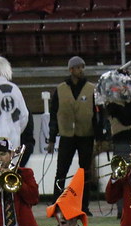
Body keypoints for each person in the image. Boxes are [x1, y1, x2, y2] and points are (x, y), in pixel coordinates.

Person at [47, 56, 98, 215]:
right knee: (61, 171)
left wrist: (100, 137)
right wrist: (51, 138)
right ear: (71, 70)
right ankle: (57, 203)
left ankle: (84, 206)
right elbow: (53, 115)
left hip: (86, 135)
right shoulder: (60, 89)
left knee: (85, 172)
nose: (81, 70)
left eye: (82, 67)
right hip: (67, 135)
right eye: (78, 67)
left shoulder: (92, 89)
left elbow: (97, 115)